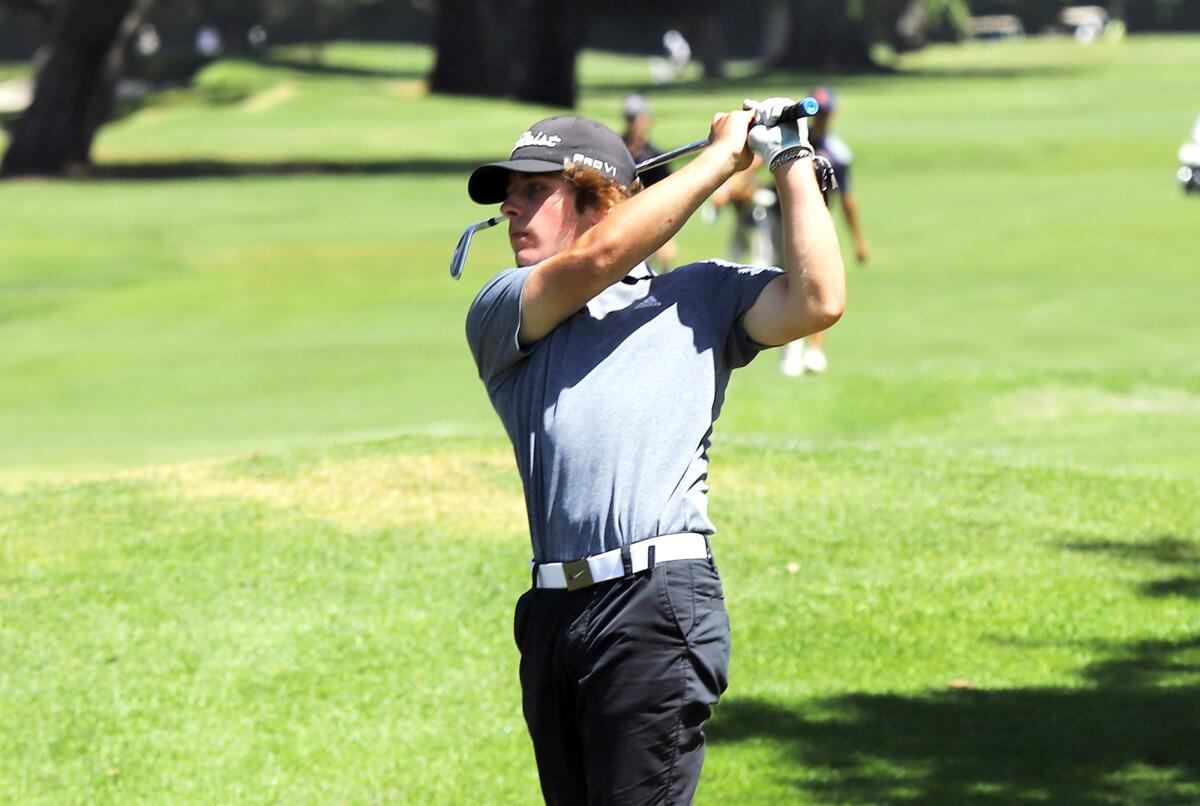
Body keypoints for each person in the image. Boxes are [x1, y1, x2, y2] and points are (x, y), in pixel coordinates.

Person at [464, 99, 844, 804]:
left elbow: (818, 299)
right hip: (553, 616)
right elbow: (601, 258)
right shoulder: (503, 307)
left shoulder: (700, 295)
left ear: (598, 198)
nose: (510, 210)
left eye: (533, 190)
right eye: (509, 195)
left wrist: (786, 155)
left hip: (653, 604)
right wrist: (720, 159)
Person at [779, 85, 870, 376]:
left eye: (826, 113)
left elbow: (847, 200)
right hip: (782, 223)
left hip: (819, 226)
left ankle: (814, 350)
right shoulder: (791, 143)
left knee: (821, 284)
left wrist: (858, 240)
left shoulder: (838, 153)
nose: (820, 120)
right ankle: (791, 350)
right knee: (786, 282)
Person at [621, 93, 678, 271]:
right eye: (630, 118)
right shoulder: (615, 151)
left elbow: (668, 197)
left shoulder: (656, 158)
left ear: (647, 120)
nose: (633, 124)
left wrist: (667, 237)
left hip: (647, 226)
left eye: (636, 118)